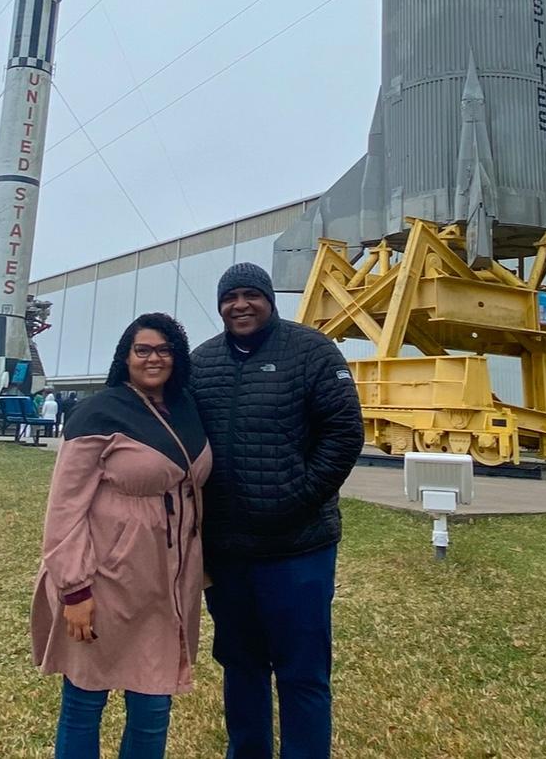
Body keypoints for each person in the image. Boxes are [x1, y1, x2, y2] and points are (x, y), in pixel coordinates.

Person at [190, 263, 365, 759]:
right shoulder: (201, 363)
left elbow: (345, 432)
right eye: (230, 297)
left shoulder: (311, 351)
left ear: (269, 300)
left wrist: (299, 495)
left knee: (302, 671)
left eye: (251, 295)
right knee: (241, 666)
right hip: (229, 553)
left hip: (298, 549)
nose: (240, 305)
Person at [31, 313, 211, 759]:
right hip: (106, 578)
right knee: (86, 698)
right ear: (125, 357)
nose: (154, 358)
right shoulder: (99, 411)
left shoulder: (188, 408)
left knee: (153, 705)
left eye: (164, 350)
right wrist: (75, 589)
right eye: (143, 350)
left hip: (168, 580)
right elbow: (65, 507)